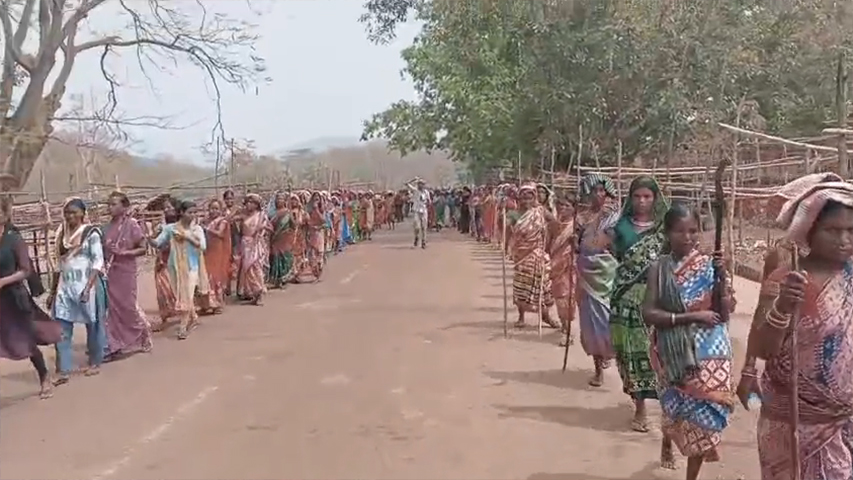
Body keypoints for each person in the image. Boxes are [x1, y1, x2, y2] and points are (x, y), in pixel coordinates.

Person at [747, 181, 853, 480]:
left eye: (851, 230)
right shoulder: (787, 279)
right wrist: (783, 306)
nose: (844, 240)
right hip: (792, 422)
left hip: (844, 422)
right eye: (832, 230)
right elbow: (763, 349)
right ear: (809, 229)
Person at [642, 203, 735, 479]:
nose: (688, 237)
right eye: (680, 231)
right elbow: (649, 313)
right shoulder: (659, 269)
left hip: (711, 349)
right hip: (673, 350)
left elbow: (724, 313)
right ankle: (668, 439)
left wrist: (722, 278)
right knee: (675, 407)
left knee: (706, 414)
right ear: (667, 233)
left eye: (693, 231)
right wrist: (691, 317)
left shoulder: (708, 266)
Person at [736, 172, 842, 408]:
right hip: (792, 375)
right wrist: (749, 369)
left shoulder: (846, 259)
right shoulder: (784, 256)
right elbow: (762, 314)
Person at [609, 176, 670, 432]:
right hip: (626, 297)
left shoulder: (666, 229)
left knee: (660, 352)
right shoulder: (620, 227)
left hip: (658, 297)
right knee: (631, 353)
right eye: (637, 196)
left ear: (655, 199)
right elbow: (613, 254)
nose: (642, 201)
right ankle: (640, 408)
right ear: (630, 198)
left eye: (647, 196)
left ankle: (669, 407)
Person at [0, 196, 56, 399]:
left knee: (25, 339)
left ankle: (44, 376)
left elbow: (25, 270)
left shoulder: (13, 239)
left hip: (14, 297)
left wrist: (3, 281)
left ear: (4, 215)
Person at [49, 198, 108, 383]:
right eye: (67, 213)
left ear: (82, 213)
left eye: (74, 212)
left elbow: (97, 261)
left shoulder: (91, 233)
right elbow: (58, 264)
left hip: (87, 285)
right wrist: (52, 291)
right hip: (65, 287)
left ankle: (95, 361)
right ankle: (64, 369)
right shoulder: (61, 235)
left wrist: (88, 288)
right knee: (61, 326)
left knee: (94, 325)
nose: (70, 216)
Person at [576, 174, 619, 386]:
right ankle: (597, 368)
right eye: (594, 191)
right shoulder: (582, 218)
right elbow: (577, 245)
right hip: (585, 274)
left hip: (607, 273)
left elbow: (617, 245)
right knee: (589, 323)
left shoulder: (615, 218)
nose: (598, 195)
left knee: (607, 320)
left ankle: (609, 355)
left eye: (602, 191)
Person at [103, 191, 152, 361]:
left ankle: (142, 332)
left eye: (114, 204)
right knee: (112, 309)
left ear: (124, 207)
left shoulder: (131, 225)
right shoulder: (107, 227)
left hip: (125, 270)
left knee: (127, 306)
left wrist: (124, 253)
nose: (110, 207)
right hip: (111, 271)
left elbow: (143, 247)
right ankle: (115, 344)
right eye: (108, 204)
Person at [150, 200, 208, 340]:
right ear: (181, 213)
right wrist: (149, 237)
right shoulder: (171, 229)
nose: (192, 215)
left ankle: (183, 327)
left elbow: (202, 246)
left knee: (186, 295)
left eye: (194, 212)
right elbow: (158, 243)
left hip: (192, 267)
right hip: (174, 267)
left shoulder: (197, 230)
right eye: (190, 212)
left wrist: (186, 237)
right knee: (180, 295)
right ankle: (193, 318)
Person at [511, 184, 560, 329]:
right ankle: (521, 317)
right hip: (521, 255)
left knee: (542, 286)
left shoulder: (541, 211)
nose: (526, 201)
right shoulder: (514, 213)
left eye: (530, 197)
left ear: (534, 198)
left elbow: (555, 223)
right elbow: (507, 228)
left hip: (538, 254)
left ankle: (546, 316)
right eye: (523, 198)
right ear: (519, 198)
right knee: (521, 285)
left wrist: (547, 232)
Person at [548, 194, 577, 339]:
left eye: (567, 205)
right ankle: (564, 326)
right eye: (561, 205)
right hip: (556, 266)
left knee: (569, 297)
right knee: (559, 297)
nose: (563, 208)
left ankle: (568, 327)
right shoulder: (554, 225)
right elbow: (548, 244)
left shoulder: (576, 226)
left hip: (571, 266)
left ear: (573, 208)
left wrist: (575, 242)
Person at [198, 198, 231, 314]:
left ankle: (217, 304)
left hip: (218, 252)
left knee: (216, 277)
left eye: (216, 208)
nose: (213, 211)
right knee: (205, 277)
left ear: (220, 210)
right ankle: (206, 305)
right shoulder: (205, 221)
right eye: (211, 208)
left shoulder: (222, 221)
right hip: (206, 251)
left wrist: (207, 229)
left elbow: (220, 234)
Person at [236, 193, 270, 304]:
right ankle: (252, 292)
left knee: (255, 268)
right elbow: (228, 220)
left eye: (251, 202)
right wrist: (235, 211)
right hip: (245, 244)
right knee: (247, 269)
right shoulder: (243, 216)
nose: (248, 205)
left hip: (256, 244)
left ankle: (259, 291)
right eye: (247, 202)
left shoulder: (261, 216)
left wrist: (262, 228)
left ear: (257, 204)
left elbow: (270, 228)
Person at [152, 197, 178, 331]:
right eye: (165, 208)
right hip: (163, 259)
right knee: (163, 290)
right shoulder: (163, 227)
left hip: (171, 260)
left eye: (169, 207)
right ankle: (166, 316)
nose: (166, 210)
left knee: (171, 288)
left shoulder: (177, 226)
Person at [267, 192, 298, 288]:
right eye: (277, 199)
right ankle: (276, 279)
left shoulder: (288, 213)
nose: (279, 201)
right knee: (275, 257)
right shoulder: (272, 213)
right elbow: (268, 224)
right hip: (275, 238)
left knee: (285, 256)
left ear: (284, 201)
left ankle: (285, 277)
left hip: (285, 239)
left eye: (281, 199)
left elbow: (293, 225)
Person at [407, 178, 431, 249]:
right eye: (419, 184)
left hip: (424, 210)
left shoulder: (426, 192)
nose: (421, 185)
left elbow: (429, 201)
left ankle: (424, 242)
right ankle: (416, 237)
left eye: (422, 184)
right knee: (417, 227)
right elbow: (407, 184)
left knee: (424, 227)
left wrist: (428, 203)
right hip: (416, 210)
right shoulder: (415, 191)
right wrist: (413, 179)